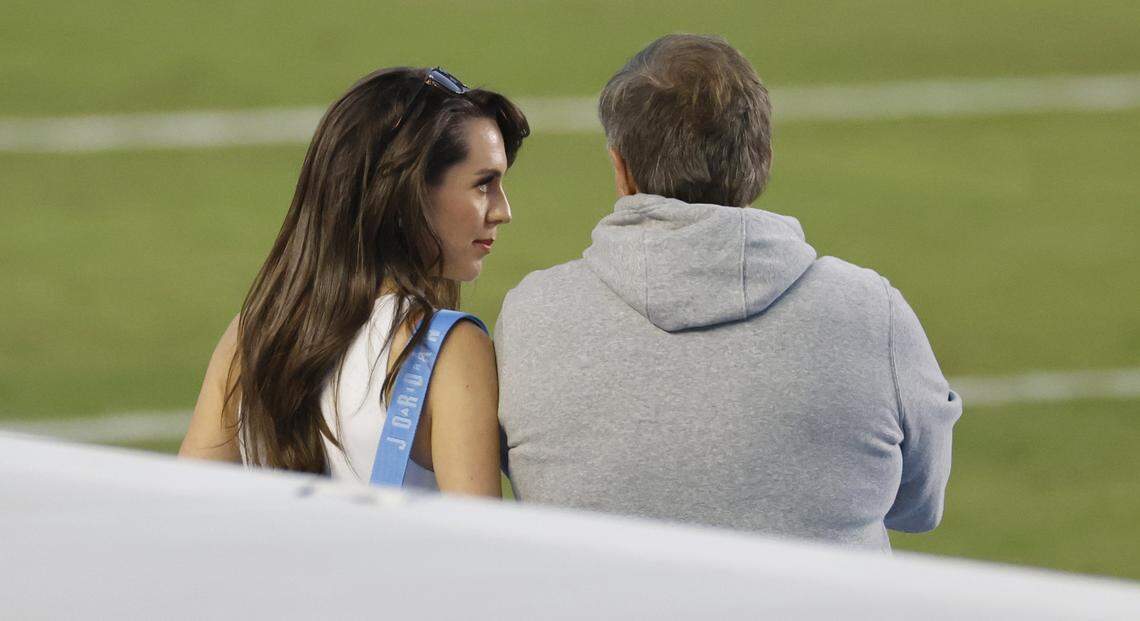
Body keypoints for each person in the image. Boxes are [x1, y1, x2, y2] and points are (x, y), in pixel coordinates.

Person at [495, 35, 962, 549]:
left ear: (620, 169)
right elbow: (919, 505)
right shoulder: (872, 312)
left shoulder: (531, 313)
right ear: (760, 157)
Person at [179, 67, 528, 497]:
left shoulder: (249, 337)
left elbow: (185, 512)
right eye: (484, 184)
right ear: (408, 192)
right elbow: (481, 550)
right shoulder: (451, 349)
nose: (502, 210)